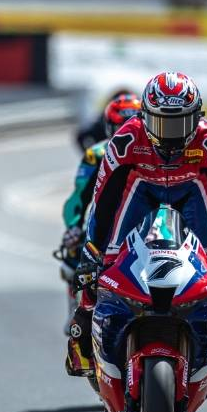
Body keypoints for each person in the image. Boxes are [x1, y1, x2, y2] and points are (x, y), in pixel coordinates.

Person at [66, 72, 207, 381]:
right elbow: (104, 200)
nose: (170, 136)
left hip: (191, 193)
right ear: (144, 118)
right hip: (141, 191)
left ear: (197, 118)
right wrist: (92, 250)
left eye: (179, 124)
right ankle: (83, 328)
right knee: (103, 263)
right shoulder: (126, 139)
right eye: (162, 124)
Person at [58, 93, 141, 328]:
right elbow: (78, 197)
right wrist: (74, 227)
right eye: (121, 127)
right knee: (73, 254)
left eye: (132, 126)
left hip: (145, 222)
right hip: (104, 222)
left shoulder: (155, 154)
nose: (126, 133)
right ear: (109, 128)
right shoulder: (96, 155)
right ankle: (77, 313)